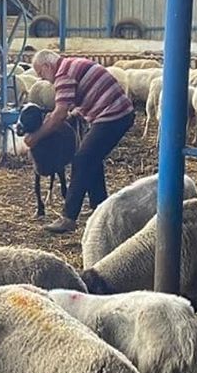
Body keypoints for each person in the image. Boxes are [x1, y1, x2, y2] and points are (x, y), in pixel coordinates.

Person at [25, 49, 135, 234]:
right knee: (92, 159)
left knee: (82, 159)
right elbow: (72, 105)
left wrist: (36, 136)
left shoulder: (63, 74)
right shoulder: (70, 65)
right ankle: (100, 209)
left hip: (113, 115)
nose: (43, 79)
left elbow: (59, 113)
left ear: (47, 66)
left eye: (41, 73)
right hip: (117, 113)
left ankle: (69, 217)